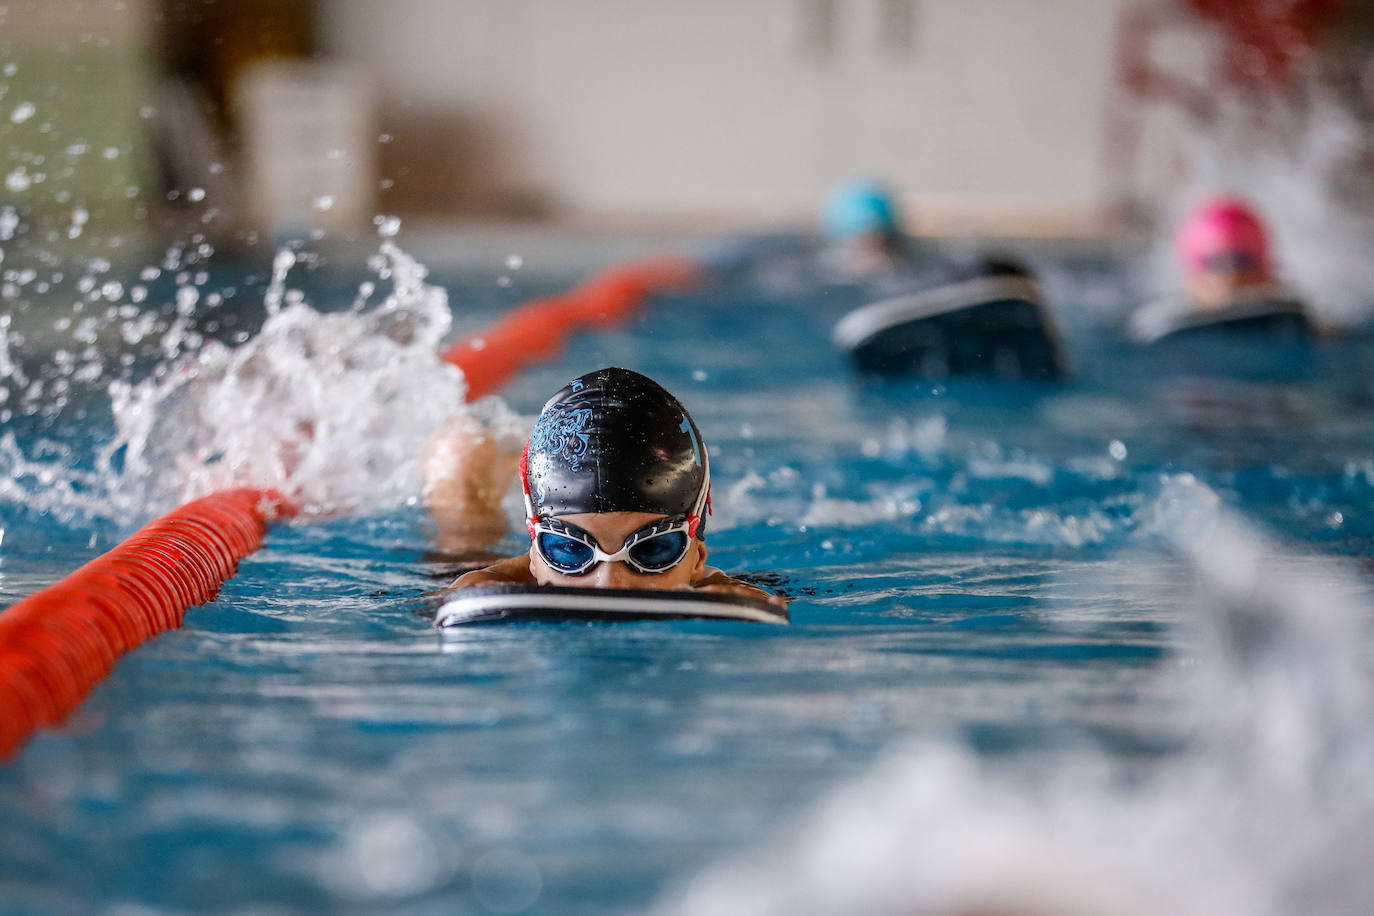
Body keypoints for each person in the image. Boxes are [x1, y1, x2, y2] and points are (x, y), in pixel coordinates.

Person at [424, 367, 787, 610]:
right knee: (465, 522)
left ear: (698, 558)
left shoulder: (719, 587)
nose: (608, 583)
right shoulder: (476, 591)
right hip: (491, 568)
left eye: (654, 550)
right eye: (567, 549)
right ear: (535, 553)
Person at [1129, 196, 1309, 343]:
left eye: (1243, 261)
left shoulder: (1298, 321)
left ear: (1266, 270)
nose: (1231, 275)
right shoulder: (1163, 328)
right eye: (1216, 263)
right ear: (1193, 276)